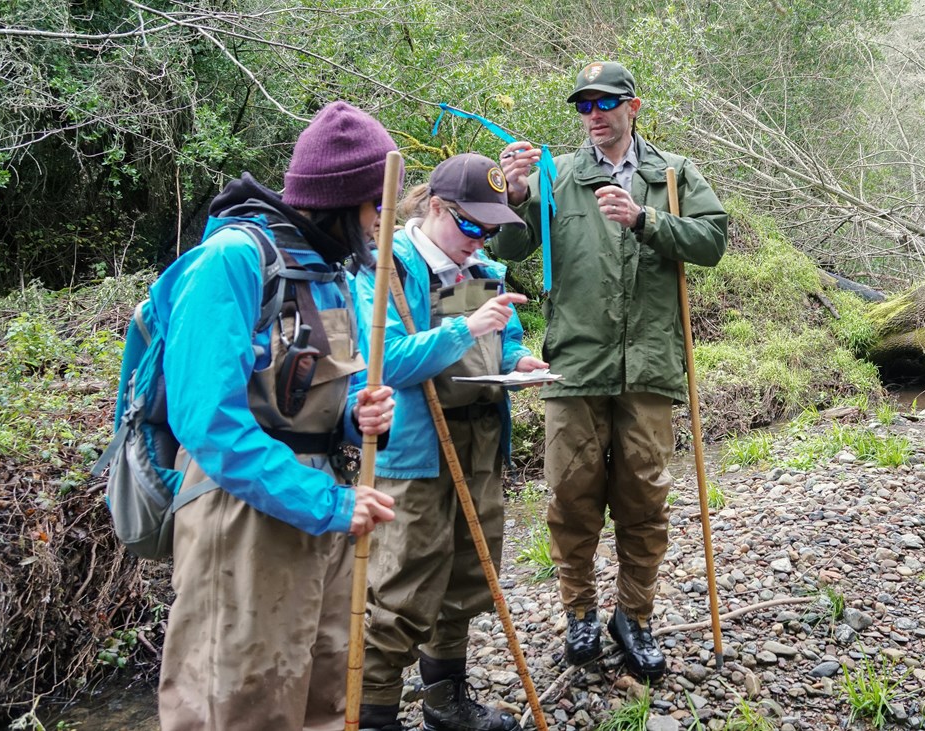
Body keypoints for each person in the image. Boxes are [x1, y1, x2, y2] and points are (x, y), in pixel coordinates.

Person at [154, 100, 400, 730]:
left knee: (323, 695)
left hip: (322, 509)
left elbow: (312, 399)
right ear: (344, 201)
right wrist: (329, 504)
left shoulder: (330, 271)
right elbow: (209, 424)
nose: (382, 226)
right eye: (377, 208)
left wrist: (356, 417)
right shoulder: (231, 263)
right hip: (239, 518)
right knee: (238, 703)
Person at [493, 61, 728, 682]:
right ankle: (580, 615)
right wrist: (514, 195)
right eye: (584, 106)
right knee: (571, 498)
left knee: (644, 498)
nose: (594, 116)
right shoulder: (558, 175)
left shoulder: (672, 174)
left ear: (634, 107)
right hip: (574, 364)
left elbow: (711, 242)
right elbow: (510, 249)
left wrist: (646, 221)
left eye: (605, 104)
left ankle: (635, 617)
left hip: (650, 365)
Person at [352, 153, 547, 731]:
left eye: (490, 229)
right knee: (401, 589)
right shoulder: (387, 265)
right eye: (471, 226)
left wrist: (521, 360)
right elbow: (379, 362)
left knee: (467, 579)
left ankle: (445, 701)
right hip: (415, 453)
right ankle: (376, 714)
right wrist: (466, 327)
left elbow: (502, 342)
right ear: (436, 207)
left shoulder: (482, 268)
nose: (480, 240)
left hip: (481, 445)